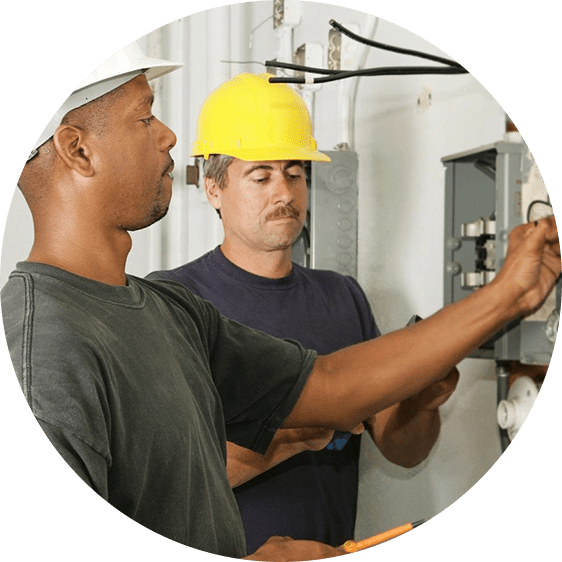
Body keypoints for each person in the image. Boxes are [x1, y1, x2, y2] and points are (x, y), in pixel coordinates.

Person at [1, 45, 560, 561]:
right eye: (146, 116)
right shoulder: (38, 348)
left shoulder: (169, 312)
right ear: (77, 149)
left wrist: (509, 293)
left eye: (294, 173)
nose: (169, 136)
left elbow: (334, 387)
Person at [147, 72, 459, 553]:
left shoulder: (343, 298)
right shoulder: (174, 300)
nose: (285, 193)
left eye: (295, 173)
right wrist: (307, 425)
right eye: (261, 175)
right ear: (213, 188)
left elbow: (403, 450)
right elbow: (168, 478)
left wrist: (423, 397)